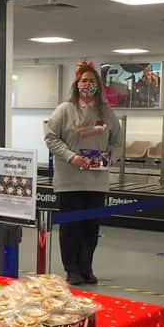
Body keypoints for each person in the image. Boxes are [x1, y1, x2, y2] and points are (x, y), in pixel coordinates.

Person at [45, 61, 123, 285]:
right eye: (84, 81)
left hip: (96, 181)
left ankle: (87, 267)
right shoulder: (64, 110)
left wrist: (110, 158)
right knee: (71, 228)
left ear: (98, 85)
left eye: (92, 81)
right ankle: (72, 269)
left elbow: (117, 141)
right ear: (77, 84)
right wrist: (71, 156)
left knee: (91, 228)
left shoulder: (106, 113)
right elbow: (51, 138)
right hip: (69, 180)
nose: (88, 84)